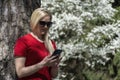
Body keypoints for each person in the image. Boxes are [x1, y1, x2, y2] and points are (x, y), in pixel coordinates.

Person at [14, 8, 61, 80]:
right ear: (34, 22)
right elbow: (20, 72)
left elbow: (54, 75)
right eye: (42, 23)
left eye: (48, 24)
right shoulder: (23, 41)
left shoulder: (51, 43)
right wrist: (42, 64)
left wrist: (55, 65)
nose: (45, 27)